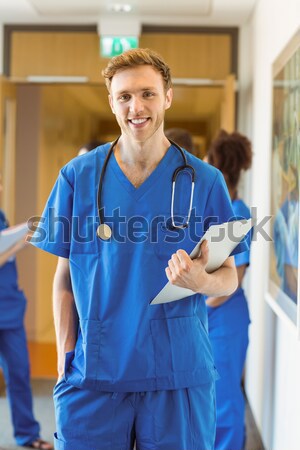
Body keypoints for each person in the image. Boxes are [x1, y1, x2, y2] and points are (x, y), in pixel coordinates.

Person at [30, 48, 247, 450]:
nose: (137, 107)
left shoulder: (206, 181)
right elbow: (64, 276)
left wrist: (200, 279)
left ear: (167, 96)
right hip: (95, 370)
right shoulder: (77, 177)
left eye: (147, 93)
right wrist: (64, 349)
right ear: (111, 102)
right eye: (125, 96)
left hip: (176, 372)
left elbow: (230, 278)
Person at [205, 129, 253, 450]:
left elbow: (233, 279)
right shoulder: (221, 210)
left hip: (225, 318)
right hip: (213, 316)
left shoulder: (237, 213)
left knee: (225, 402)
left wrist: (192, 300)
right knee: (212, 400)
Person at [0, 177, 53, 450]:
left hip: (9, 308)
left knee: (20, 372)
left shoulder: (1, 216)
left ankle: (27, 434)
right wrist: (21, 242)